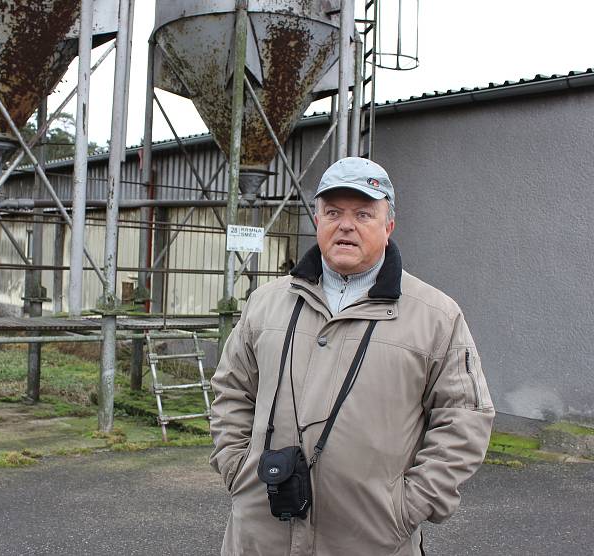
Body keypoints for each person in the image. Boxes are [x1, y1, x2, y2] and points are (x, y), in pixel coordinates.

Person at [209, 157, 494, 556]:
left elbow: (465, 417)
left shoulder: (435, 316)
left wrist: (408, 505)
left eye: (363, 213)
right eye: (333, 212)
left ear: (388, 225)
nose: (346, 225)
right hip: (261, 535)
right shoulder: (265, 304)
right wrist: (238, 468)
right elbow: (231, 391)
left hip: (371, 540)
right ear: (317, 220)